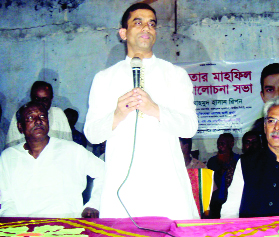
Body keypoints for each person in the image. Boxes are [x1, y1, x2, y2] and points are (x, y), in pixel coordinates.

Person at [84, 3, 199, 219]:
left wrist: (155, 110)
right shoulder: (104, 78)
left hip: (166, 183)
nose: (146, 28)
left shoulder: (175, 75)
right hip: (122, 184)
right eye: (138, 22)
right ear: (123, 33)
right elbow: (92, 133)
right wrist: (117, 114)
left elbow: (190, 128)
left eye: (152, 24)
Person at [0, 102, 104, 218]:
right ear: (20, 126)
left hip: (67, 227)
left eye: (42, 116)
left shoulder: (72, 150)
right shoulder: (8, 157)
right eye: (30, 117)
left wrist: (93, 205)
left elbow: (105, 173)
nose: (38, 121)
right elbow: (7, 200)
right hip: (23, 229)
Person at [5, 81, 72, 148]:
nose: (40, 103)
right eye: (37, 99)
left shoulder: (58, 114)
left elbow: (68, 144)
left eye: (45, 100)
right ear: (31, 98)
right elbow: (11, 146)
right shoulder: (21, 114)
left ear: (51, 99)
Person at [207, 133, 240, 218]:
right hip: (215, 202)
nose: (220, 147)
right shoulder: (212, 161)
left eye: (223, 144)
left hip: (233, 200)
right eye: (218, 144)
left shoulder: (239, 160)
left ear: (231, 144)